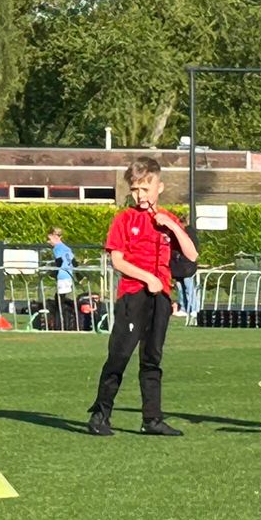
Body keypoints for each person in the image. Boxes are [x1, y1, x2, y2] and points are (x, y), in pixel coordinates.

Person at [87, 156, 192, 437]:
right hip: (133, 295)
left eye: (145, 188)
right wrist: (148, 278)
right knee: (119, 355)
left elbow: (192, 255)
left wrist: (172, 227)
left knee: (152, 358)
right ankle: (100, 414)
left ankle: (152, 419)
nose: (140, 195)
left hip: (160, 298)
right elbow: (117, 261)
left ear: (159, 187)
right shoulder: (124, 219)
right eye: (134, 189)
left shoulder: (167, 219)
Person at [49, 227, 78, 330]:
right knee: (60, 298)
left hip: (62, 276)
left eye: (50, 239)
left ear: (55, 237)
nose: (49, 242)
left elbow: (59, 262)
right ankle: (63, 320)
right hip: (69, 275)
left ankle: (60, 323)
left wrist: (52, 272)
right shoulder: (67, 248)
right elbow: (75, 263)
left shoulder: (57, 248)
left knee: (59, 300)